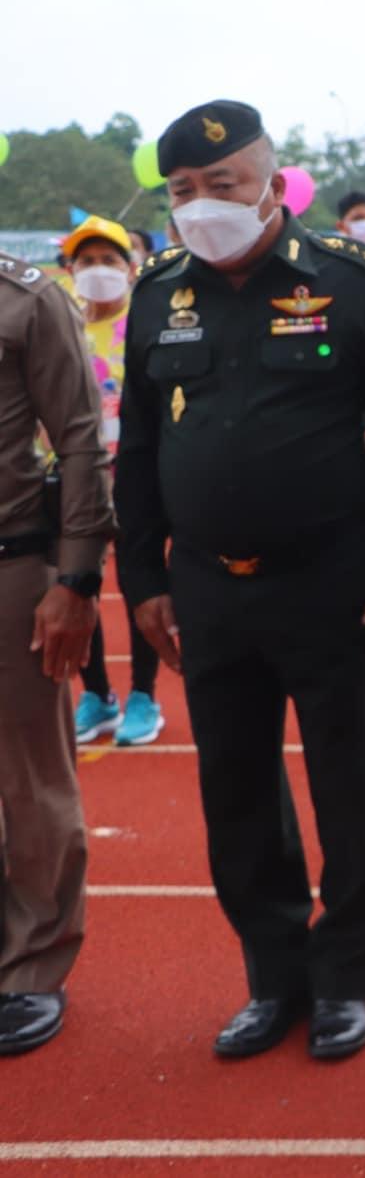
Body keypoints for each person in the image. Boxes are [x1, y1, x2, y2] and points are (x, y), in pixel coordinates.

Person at [114, 100, 365, 1063]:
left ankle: (345, 980)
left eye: (223, 184)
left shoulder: (351, 282)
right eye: (183, 190)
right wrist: (141, 578)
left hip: (334, 583)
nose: (202, 204)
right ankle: (274, 979)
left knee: (350, 793)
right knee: (235, 794)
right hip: (206, 588)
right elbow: (138, 449)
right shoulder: (158, 292)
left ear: (272, 185)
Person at [0, 245, 114, 1056]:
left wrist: (75, 577)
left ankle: (31, 970)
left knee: (31, 778)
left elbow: (78, 439)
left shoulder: (26, 299)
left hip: (10, 567)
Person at [56, 217, 161, 747]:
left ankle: (144, 695)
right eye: (86, 261)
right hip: (75, 476)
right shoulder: (60, 325)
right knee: (78, 582)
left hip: (136, 475)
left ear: (131, 267)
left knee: (140, 582)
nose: (98, 270)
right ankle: (96, 694)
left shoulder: (146, 324)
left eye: (110, 260)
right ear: (70, 270)